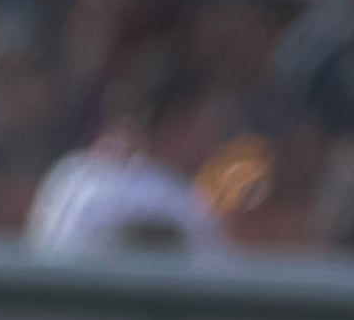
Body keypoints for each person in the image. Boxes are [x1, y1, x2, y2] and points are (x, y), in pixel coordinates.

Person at [21, 63, 223, 257]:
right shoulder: (182, 202)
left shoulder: (69, 175)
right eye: (203, 124)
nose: (210, 140)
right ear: (180, 124)